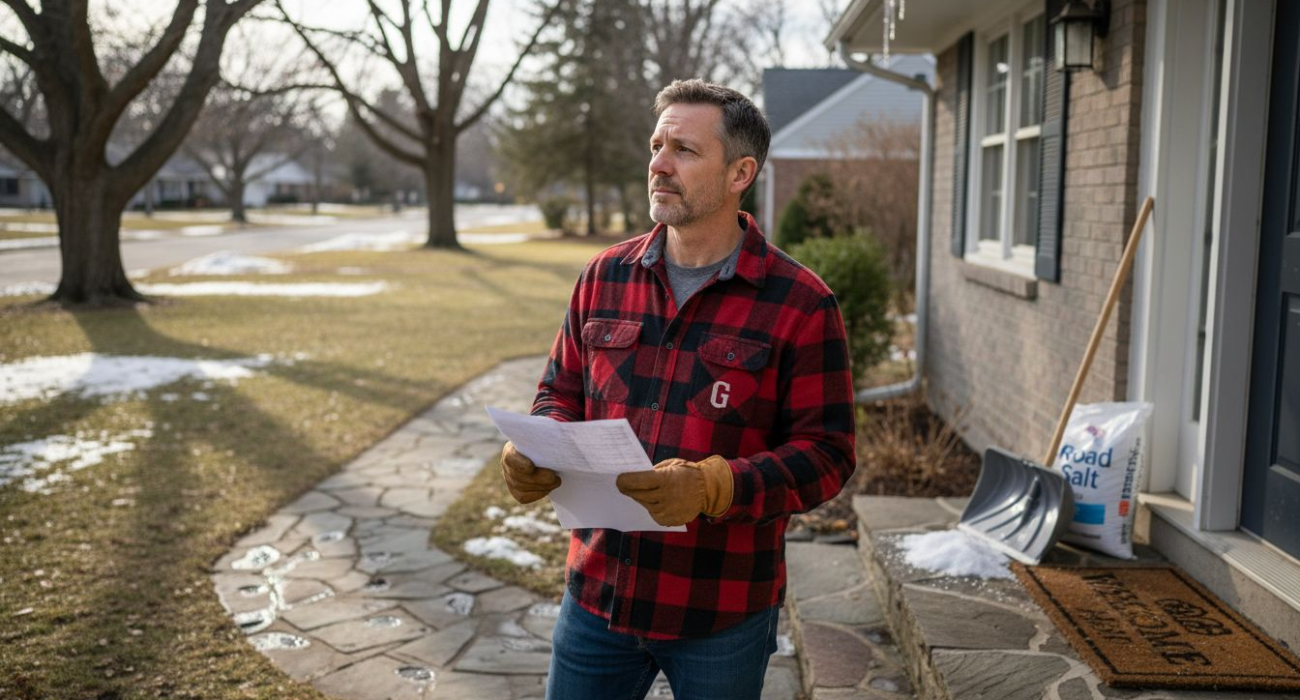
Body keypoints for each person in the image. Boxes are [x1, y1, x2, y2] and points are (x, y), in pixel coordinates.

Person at [499, 79, 857, 700]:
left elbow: (828, 454)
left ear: (741, 171)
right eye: (656, 145)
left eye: (685, 150)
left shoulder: (801, 303)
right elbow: (559, 391)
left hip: (720, 612)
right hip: (597, 598)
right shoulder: (603, 277)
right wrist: (535, 447)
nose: (659, 164)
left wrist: (713, 486)